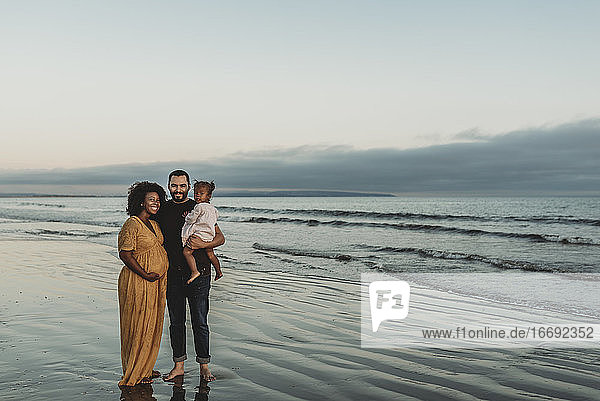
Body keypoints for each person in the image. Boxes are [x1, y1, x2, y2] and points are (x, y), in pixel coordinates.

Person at [155, 170, 225, 383]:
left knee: (200, 322)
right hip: (172, 275)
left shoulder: (200, 208)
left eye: (182, 185)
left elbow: (220, 237)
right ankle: (179, 367)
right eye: (174, 186)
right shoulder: (162, 210)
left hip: (200, 274)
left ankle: (204, 366)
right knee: (176, 322)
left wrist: (204, 244)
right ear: (169, 186)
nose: (178, 189)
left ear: (188, 187)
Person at [117, 181, 168, 386]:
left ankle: (145, 367)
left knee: (151, 324)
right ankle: (133, 370)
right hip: (138, 281)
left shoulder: (154, 224)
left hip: (155, 282)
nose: (156, 203)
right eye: (151, 199)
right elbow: (125, 254)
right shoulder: (132, 223)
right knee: (137, 324)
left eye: (158, 199)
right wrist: (145, 274)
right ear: (140, 202)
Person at [181, 180, 223, 284]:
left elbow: (191, 219)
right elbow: (214, 220)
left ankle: (194, 271)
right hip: (209, 236)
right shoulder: (213, 209)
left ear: (209, 196)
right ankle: (218, 271)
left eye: (201, 193)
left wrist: (187, 216)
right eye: (196, 193)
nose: (198, 196)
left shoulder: (198, 207)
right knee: (211, 254)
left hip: (199, 236)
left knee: (187, 252)